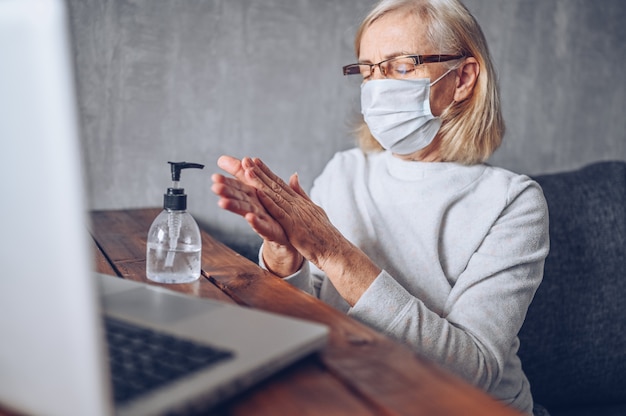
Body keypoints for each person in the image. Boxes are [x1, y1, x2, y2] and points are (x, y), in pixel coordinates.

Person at [211, 0, 549, 414]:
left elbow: (473, 371)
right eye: (368, 70)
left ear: (462, 78)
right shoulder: (345, 171)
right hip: (353, 396)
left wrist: (333, 251)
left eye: (400, 66)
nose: (377, 85)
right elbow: (307, 320)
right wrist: (287, 259)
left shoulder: (513, 202)